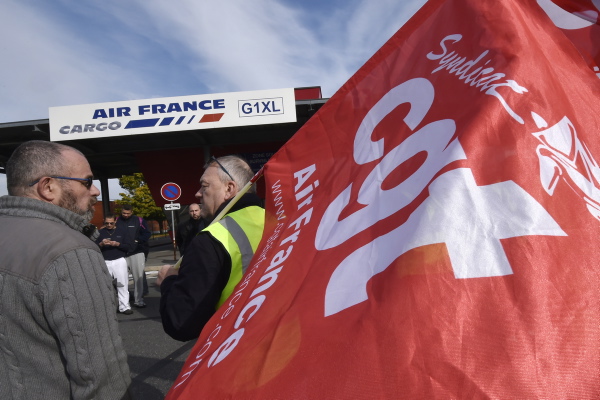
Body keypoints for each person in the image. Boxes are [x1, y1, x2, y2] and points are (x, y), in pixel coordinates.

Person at [0, 140, 131, 399]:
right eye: (86, 181)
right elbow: (100, 376)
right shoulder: (71, 251)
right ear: (48, 187)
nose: (95, 191)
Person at [157, 156, 265, 341]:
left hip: (236, 345)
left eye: (204, 185)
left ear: (229, 188)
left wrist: (168, 282)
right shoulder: (281, 221)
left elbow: (180, 323)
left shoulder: (212, 238)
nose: (198, 193)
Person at [97, 213, 134, 315]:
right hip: (105, 261)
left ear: (115, 221)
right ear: (104, 221)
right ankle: (108, 308)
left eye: (111, 223)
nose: (109, 225)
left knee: (122, 284)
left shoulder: (122, 231)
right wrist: (101, 244)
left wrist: (117, 244)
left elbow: (128, 246)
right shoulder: (99, 233)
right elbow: (94, 247)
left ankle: (124, 307)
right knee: (105, 285)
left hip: (119, 260)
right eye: (107, 223)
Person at [116, 204, 150, 308]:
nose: (125, 215)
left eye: (128, 213)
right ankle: (123, 302)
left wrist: (138, 241)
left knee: (138, 278)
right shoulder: (117, 220)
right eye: (124, 213)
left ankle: (139, 300)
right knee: (121, 279)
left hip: (137, 252)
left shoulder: (139, 220)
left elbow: (147, 233)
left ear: (132, 212)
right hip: (122, 252)